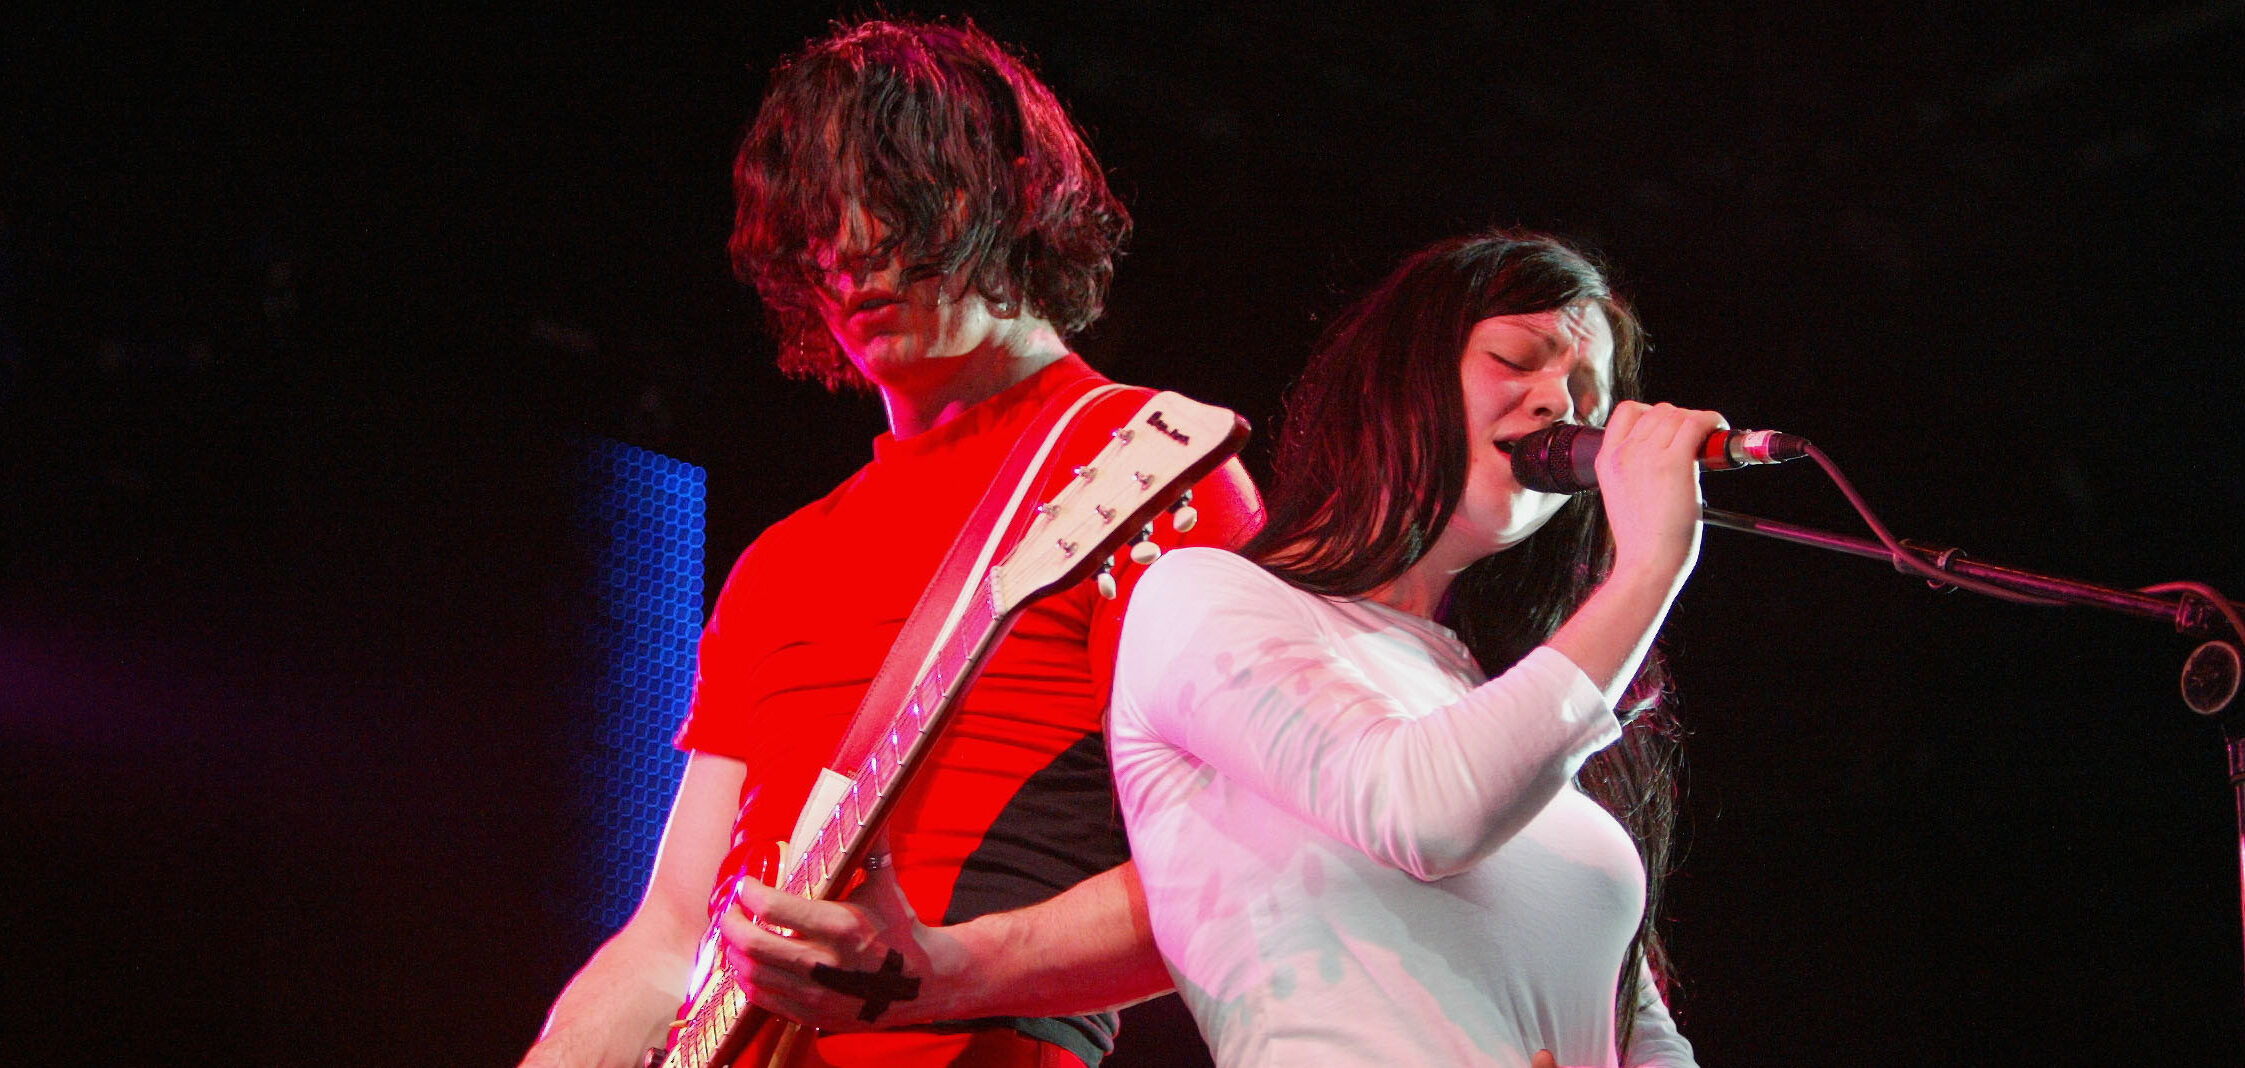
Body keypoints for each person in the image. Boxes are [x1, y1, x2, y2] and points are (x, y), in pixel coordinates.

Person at [519, 18, 1258, 1068]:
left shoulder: (1144, 468)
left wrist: (948, 969)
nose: (850, 246)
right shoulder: (778, 562)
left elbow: (1238, 872)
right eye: (814, 220)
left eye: (898, 197)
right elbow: (668, 937)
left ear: (1009, 191)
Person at [1106, 231, 1706, 1067]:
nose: (1557, 405)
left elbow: (1635, 1028)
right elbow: (1420, 812)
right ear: (1398, 378)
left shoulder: (1503, 697)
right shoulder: (1204, 598)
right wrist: (1649, 570)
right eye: (1518, 357)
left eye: (1585, 392)